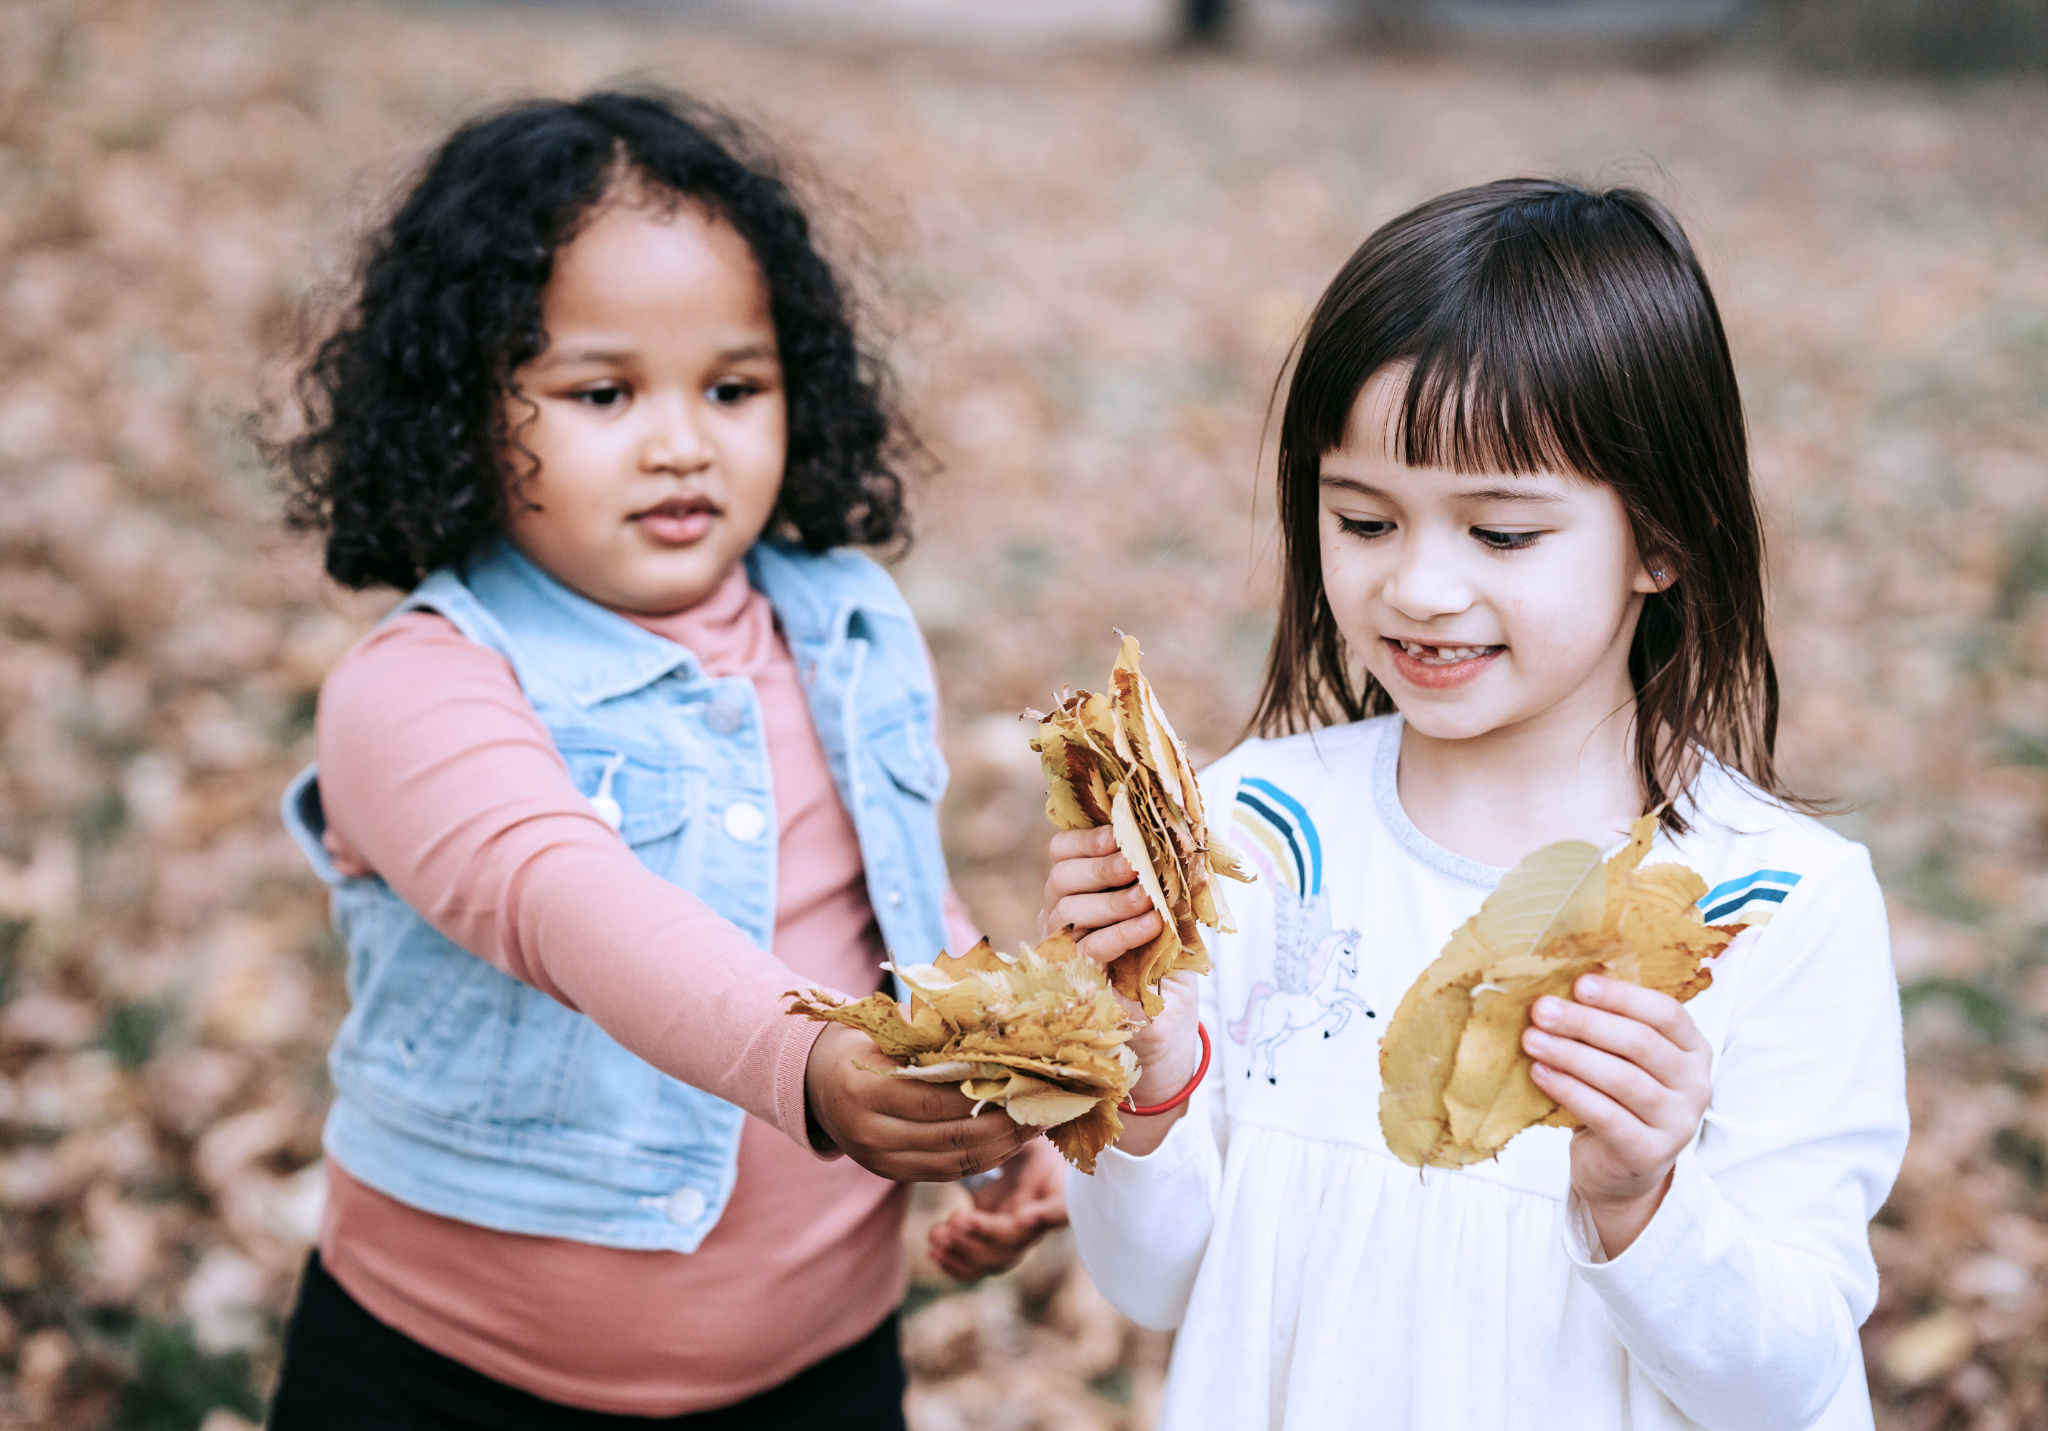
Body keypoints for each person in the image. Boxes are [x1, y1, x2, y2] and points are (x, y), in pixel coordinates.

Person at [1046, 179, 1908, 1430]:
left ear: (1661, 539)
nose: (1419, 586)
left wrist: (1638, 1198)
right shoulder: (1257, 836)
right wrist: (1145, 1064)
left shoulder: (1771, 905)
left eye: (1500, 533)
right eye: (1363, 518)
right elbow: (1153, 1286)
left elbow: (1781, 1385)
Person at [267, 90, 1065, 1431]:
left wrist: (1003, 1091)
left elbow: (899, 900)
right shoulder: (416, 688)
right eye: (603, 391)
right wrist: (810, 1065)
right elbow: (569, 901)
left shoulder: (842, 622)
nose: (683, 439)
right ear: (464, 405)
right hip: (453, 1375)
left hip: (819, 1369)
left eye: (734, 386)